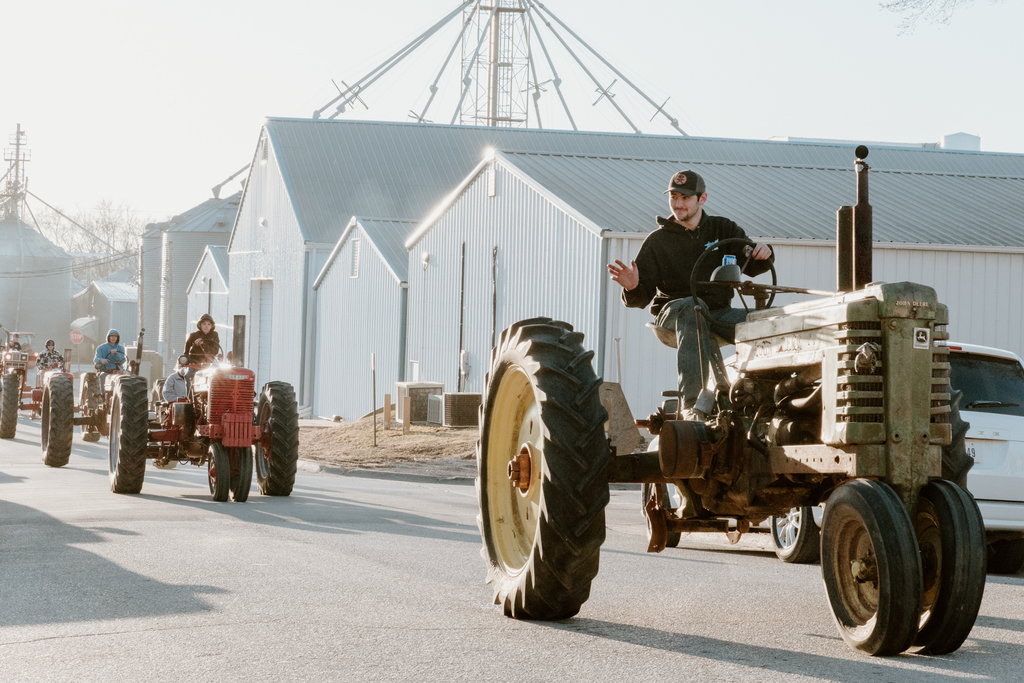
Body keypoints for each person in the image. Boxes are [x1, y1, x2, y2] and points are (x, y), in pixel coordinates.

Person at [608, 170, 774, 419]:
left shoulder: (722, 229)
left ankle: (765, 401)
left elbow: (752, 261)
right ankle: (692, 407)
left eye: (685, 198)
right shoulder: (658, 241)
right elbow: (640, 298)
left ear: (702, 199)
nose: (678, 204)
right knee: (692, 307)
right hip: (674, 313)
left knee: (770, 320)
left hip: (718, 313)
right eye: (673, 197)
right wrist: (631, 286)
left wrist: (764, 251)